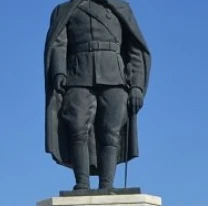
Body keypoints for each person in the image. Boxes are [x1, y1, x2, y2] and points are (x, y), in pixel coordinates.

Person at [44, 0, 151, 191]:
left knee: (110, 132)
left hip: (114, 76)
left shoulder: (121, 8)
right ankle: (82, 183)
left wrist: (136, 86)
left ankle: (106, 185)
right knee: (77, 127)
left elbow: (135, 50)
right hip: (78, 74)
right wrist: (59, 72)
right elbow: (58, 45)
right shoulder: (64, 10)